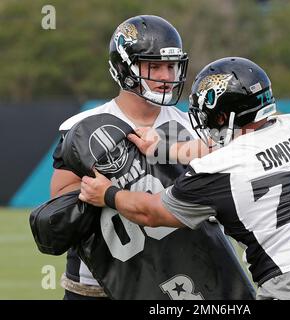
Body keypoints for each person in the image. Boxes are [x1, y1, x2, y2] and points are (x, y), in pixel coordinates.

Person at [79, 57, 290, 300]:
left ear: (221, 117)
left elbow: (151, 212)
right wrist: (162, 148)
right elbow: (235, 145)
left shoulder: (218, 172)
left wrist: (107, 193)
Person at [50, 16, 254, 300]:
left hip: (170, 277)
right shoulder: (86, 127)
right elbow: (59, 197)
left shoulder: (192, 125)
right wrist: (104, 187)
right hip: (95, 280)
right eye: (154, 66)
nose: (166, 76)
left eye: (171, 66)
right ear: (124, 67)